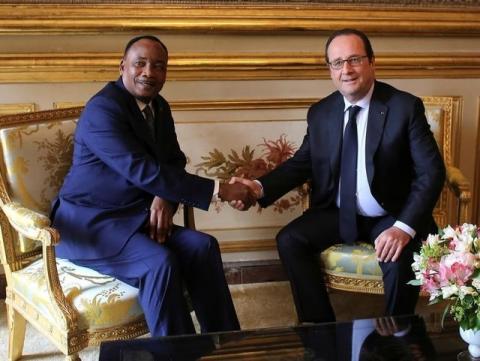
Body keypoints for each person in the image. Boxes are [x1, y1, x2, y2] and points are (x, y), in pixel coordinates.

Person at [230, 28, 445, 324]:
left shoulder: (404, 108)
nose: (346, 70)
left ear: (372, 62)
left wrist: (403, 227)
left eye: (355, 59)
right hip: (339, 211)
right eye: (337, 62)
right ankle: (322, 331)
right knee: (290, 240)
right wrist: (256, 187)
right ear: (329, 69)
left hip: (390, 212)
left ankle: (397, 340)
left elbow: (431, 172)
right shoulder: (321, 112)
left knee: (398, 261)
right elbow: (302, 163)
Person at [50, 35, 255, 336]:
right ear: (122, 67)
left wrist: (164, 196)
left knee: (203, 246)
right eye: (140, 64)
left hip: (135, 217)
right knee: (159, 263)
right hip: (90, 225)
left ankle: (228, 346)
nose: (149, 72)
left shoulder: (159, 106)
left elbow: (173, 160)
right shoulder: (102, 111)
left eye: (159, 66)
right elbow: (141, 169)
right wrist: (221, 189)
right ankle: (179, 355)